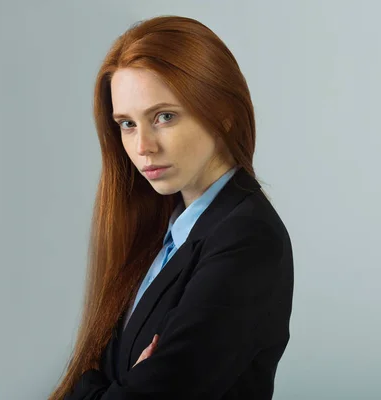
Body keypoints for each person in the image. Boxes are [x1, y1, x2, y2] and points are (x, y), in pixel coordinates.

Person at [48, 15, 294, 400]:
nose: (143, 146)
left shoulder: (248, 240)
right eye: (127, 124)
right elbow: (104, 371)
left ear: (223, 115)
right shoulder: (167, 231)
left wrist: (90, 388)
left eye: (164, 116)